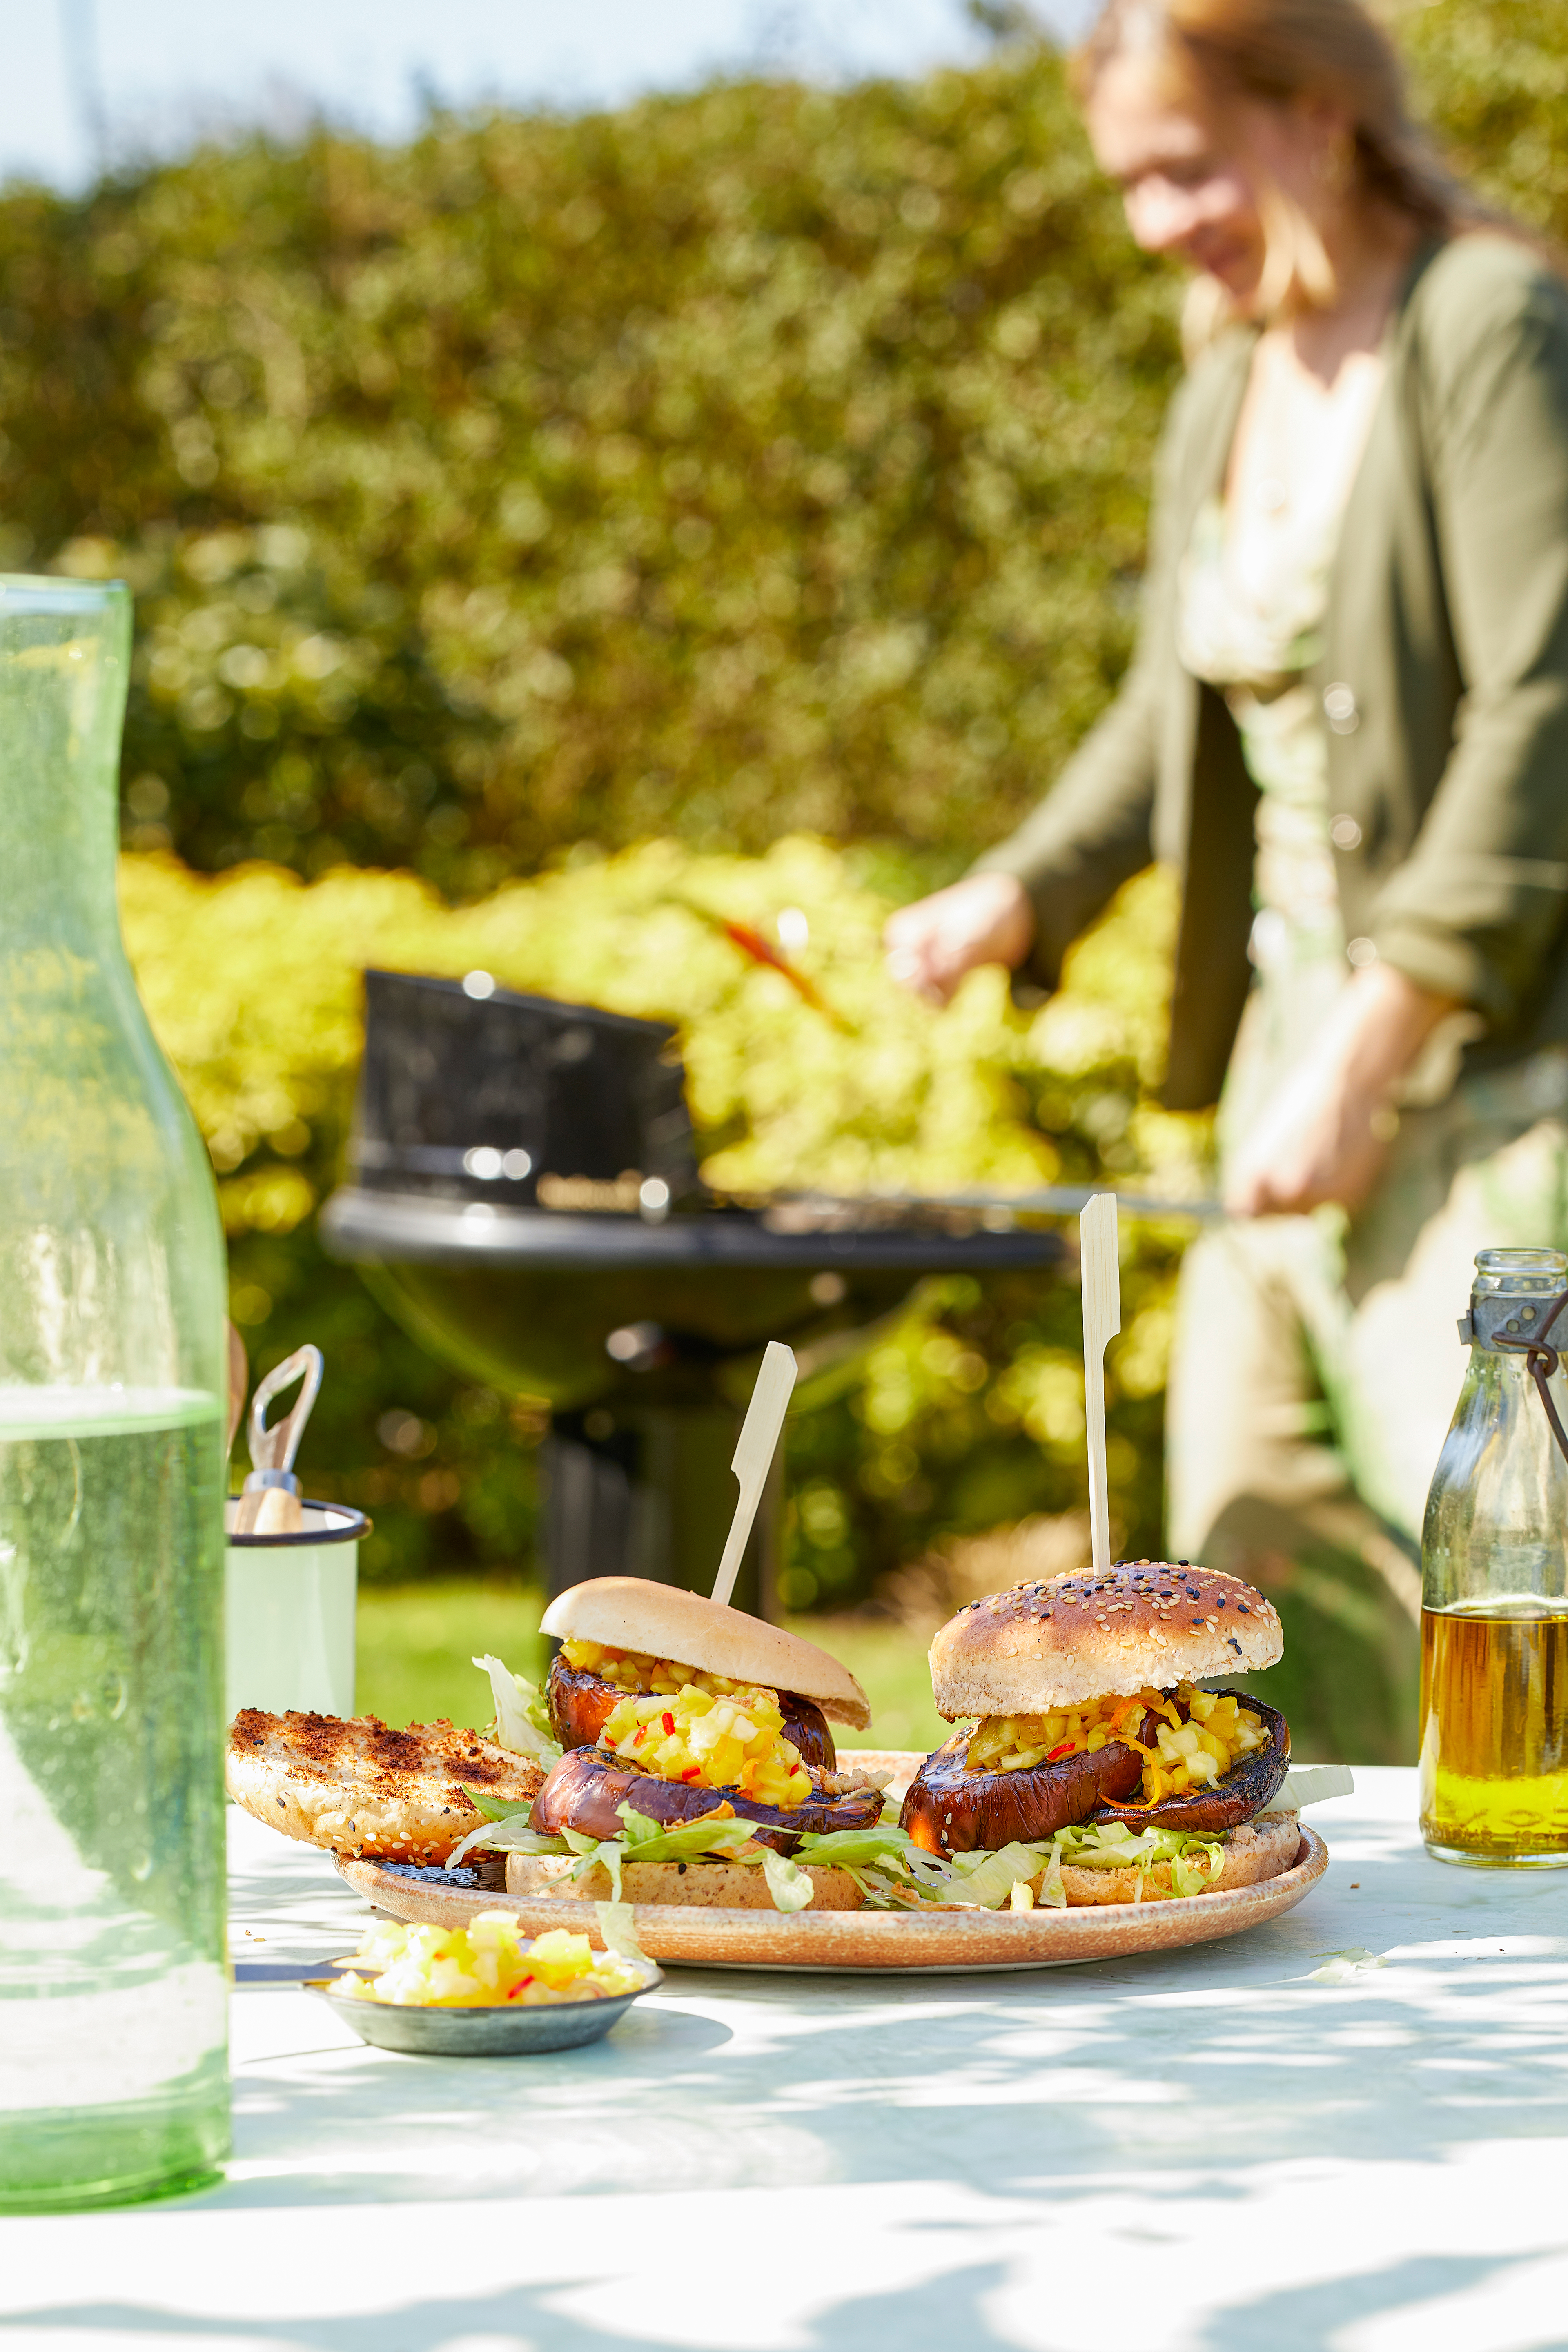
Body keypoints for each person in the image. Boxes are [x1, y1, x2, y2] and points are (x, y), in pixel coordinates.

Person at [884, 0, 1568, 1758]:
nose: (1152, 222)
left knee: (1509, 1578)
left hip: (1477, 1082)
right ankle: (1337, 1981)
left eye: (1181, 168)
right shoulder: (1223, 385)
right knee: (1245, 1555)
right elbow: (1165, 712)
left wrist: (1369, 1048)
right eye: (1127, 183)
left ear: (1315, 112)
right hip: (1280, 1077)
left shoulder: (1485, 326)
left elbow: (1546, 703)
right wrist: (1021, 892)